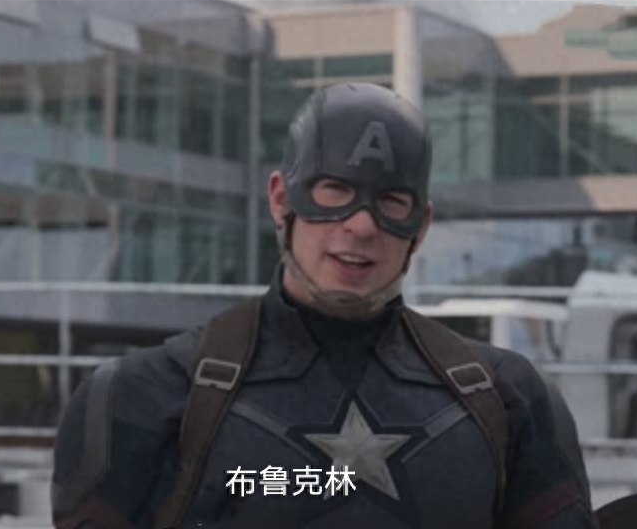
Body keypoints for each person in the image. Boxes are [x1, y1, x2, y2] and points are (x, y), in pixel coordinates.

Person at [50, 82, 599, 529]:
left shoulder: (509, 400)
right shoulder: (144, 396)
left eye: (391, 201)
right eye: (334, 190)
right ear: (280, 198)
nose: (360, 225)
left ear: (422, 224)